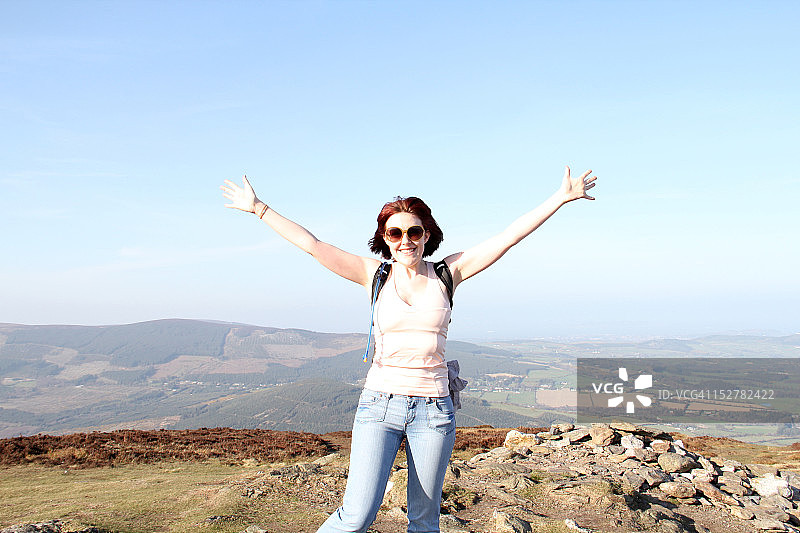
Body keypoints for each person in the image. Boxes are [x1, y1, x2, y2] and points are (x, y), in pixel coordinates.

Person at [220, 167, 597, 533]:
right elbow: (314, 245)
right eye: (395, 232)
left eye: (414, 231)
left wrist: (560, 198)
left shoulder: (449, 273)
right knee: (356, 516)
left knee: (424, 522)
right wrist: (259, 208)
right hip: (379, 406)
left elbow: (507, 237)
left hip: (434, 410)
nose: (406, 240)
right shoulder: (374, 275)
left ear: (427, 234)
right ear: (384, 237)